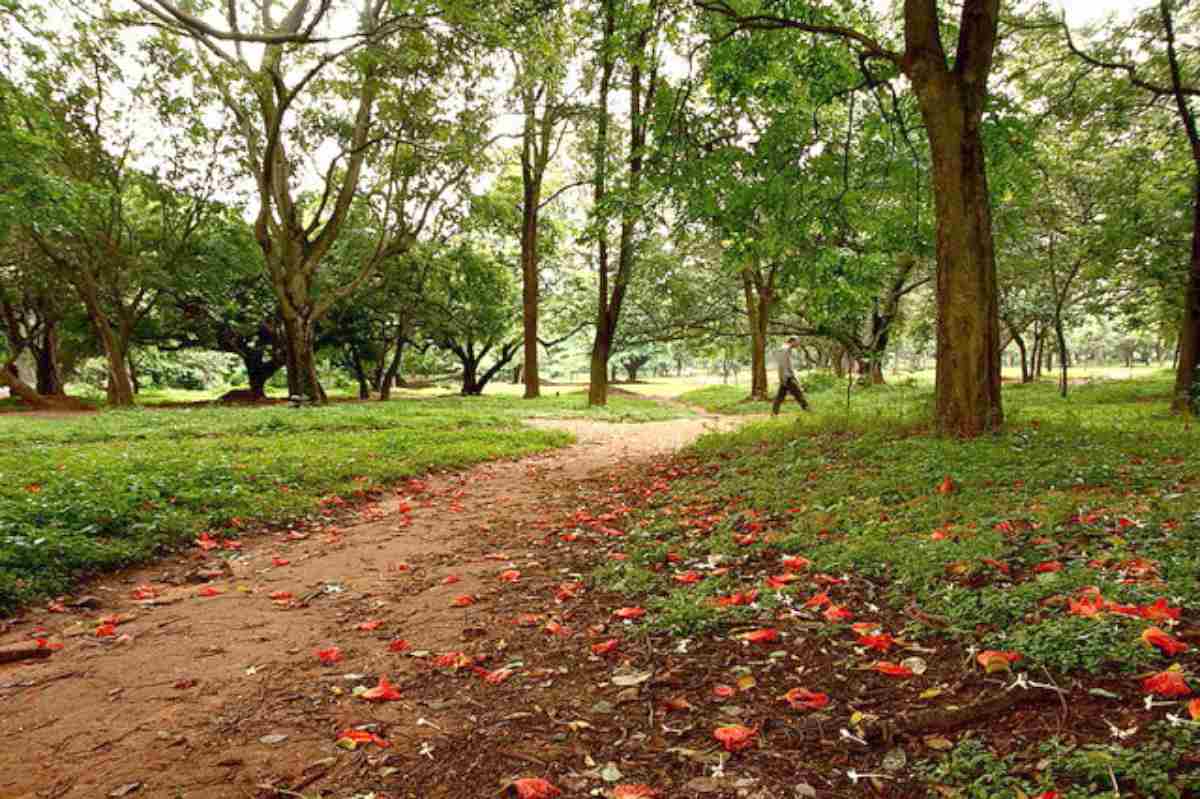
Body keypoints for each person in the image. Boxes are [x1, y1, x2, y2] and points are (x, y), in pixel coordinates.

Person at [772, 337, 810, 415]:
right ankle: (808, 410)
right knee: (798, 394)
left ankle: (774, 413)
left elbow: (785, 364)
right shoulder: (785, 349)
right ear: (793, 341)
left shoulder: (785, 348)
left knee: (780, 396)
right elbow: (783, 365)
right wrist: (787, 377)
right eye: (797, 342)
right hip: (787, 377)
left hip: (785, 376)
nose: (798, 344)